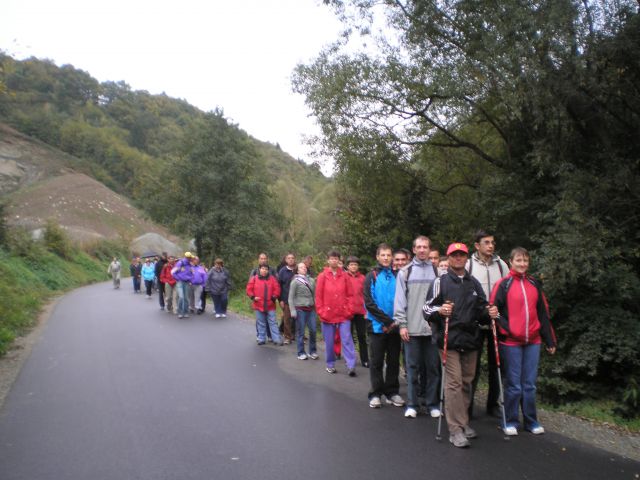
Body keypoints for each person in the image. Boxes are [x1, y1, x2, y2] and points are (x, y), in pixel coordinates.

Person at [423, 242, 499, 448]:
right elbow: (426, 309)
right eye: (454, 255)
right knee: (454, 383)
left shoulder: (473, 283)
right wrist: (440, 311)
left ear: (466, 258)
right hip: (448, 340)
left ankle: (463, 422)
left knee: (467, 382)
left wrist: (490, 312)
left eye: (461, 255)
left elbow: (482, 309)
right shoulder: (440, 282)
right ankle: (455, 429)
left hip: (470, 339)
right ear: (448, 258)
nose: (458, 258)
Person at [490, 247, 557, 436]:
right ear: (510, 262)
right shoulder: (503, 284)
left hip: (533, 341)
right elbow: (493, 311)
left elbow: (543, 313)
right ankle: (510, 421)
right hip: (511, 342)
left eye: (525, 261)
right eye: (519, 260)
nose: (522, 264)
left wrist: (549, 339)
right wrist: (507, 329)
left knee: (529, 384)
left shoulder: (535, 283)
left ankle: (531, 421)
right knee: (513, 384)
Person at [394, 235, 440, 418]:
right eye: (419, 247)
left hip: (432, 330)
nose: (422, 250)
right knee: (412, 369)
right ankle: (412, 404)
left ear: (429, 250)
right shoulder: (405, 272)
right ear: (413, 250)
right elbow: (400, 301)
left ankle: (432, 404)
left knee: (433, 368)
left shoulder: (438, 273)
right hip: (411, 329)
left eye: (425, 247)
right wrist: (402, 325)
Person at [466, 230, 510, 418]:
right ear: (477, 245)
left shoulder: (501, 265)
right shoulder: (468, 265)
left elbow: (509, 289)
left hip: (496, 319)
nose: (491, 246)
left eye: (492, 242)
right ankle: (468, 406)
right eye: (486, 242)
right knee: (472, 367)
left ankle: (493, 405)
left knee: (496, 365)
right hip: (475, 320)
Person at [364, 243, 403, 408]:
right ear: (377, 257)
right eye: (383, 255)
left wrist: (395, 322)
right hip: (376, 326)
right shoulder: (371, 276)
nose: (386, 258)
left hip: (395, 326)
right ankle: (375, 393)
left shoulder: (398, 275)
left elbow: (402, 300)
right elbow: (369, 303)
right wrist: (387, 321)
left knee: (394, 361)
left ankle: (392, 392)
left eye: (389, 255)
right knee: (377, 361)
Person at [315, 250, 356, 375]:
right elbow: (318, 297)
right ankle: (330, 364)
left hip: (343, 314)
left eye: (336, 258)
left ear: (339, 260)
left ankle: (351, 365)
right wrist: (321, 312)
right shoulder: (322, 276)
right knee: (330, 341)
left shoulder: (344, 276)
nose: (334, 260)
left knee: (347, 339)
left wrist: (349, 310)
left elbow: (350, 295)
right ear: (328, 260)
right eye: (331, 258)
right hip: (327, 315)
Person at [246, 264, 283, 345]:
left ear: (268, 270)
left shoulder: (272, 279)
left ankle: (276, 339)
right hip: (258, 305)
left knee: (273, 322)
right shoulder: (254, 278)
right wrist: (253, 297)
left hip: (270, 305)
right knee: (261, 322)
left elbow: (277, 288)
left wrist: (274, 297)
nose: (264, 270)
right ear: (259, 269)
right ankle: (261, 339)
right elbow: (249, 289)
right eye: (262, 269)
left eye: (266, 269)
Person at [288, 262, 318, 360]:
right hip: (300, 309)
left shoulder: (312, 280)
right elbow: (290, 298)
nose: (304, 268)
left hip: (311, 309)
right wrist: (292, 310)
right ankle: (301, 352)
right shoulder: (295, 281)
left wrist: (316, 306)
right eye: (301, 267)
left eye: (305, 267)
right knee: (301, 332)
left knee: (313, 330)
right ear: (297, 270)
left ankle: (312, 351)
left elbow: (315, 295)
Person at [345, 256, 368, 368]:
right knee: (348, 337)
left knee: (362, 336)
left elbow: (366, 295)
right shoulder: (344, 277)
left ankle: (365, 359)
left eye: (355, 264)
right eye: (351, 264)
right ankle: (350, 359)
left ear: (358, 266)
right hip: (348, 312)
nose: (353, 266)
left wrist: (366, 310)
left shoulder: (363, 278)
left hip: (360, 311)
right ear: (348, 266)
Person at [278, 252, 297, 344]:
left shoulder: (298, 270)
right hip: (286, 299)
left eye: (292, 258)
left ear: (295, 259)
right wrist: (280, 299)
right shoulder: (282, 271)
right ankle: (287, 337)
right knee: (287, 319)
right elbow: (279, 286)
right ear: (286, 260)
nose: (291, 259)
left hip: (298, 300)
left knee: (297, 319)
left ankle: (296, 335)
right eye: (289, 258)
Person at [172, 252, 194, 319]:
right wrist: (178, 278)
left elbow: (192, 273)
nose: (191, 259)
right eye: (190, 258)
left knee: (186, 298)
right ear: (187, 257)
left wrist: (190, 279)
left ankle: (186, 312)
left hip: (187, 282)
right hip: (180, 282)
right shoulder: (180, 263)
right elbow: (173, 272)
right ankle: (180, 312)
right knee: (181, 297)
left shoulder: (190, 264)